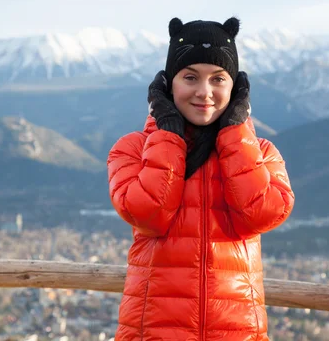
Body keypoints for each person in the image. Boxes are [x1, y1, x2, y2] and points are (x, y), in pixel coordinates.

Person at [107, 17, 295, 341]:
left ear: (235, 88)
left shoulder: (261, 153)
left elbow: (261, 214)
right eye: (190, 77)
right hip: (153, 333)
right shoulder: (134, 149)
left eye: (218, 79)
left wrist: (235, 133)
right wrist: (167, 133)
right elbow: (148, 214)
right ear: (169, 85)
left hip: (238, 333)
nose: (204, 93)